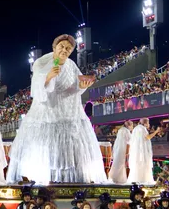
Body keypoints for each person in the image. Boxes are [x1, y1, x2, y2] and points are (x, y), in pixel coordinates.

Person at [6, 34, 108, 184]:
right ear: (54, 47)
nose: (64, 50)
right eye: (61, 47)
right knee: (48, 147)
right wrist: (47, 78)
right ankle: (46, 178)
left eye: (68, 48)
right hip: (48, 113)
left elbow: (75, 87)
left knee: (69, 147)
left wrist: (81, 86)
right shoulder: (41, 63)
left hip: (70, 112)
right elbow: (37, 88)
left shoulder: (71, 65)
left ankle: (70, 178)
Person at [126, 118, 160, 185]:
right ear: (145, 123)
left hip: (136, 154)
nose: (149, 124)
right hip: (143, 153)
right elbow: (148, 137)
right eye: (148, 123)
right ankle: (143, 180)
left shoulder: (135, 129)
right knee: (144, 166)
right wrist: (156, 131)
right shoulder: (143, 129)